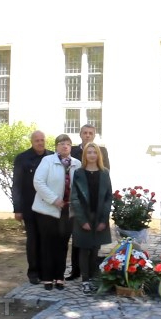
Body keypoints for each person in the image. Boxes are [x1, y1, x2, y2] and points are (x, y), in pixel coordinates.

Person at [32, 134, 81, 291]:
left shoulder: (77, 164)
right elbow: (38, 182)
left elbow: (80, 186)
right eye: (61, 143)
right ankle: (47, 278)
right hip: (48, 210)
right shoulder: (47, 161)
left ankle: (59, 277)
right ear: (56, 147)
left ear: (71, 147)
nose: (65, 146)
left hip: (68, 212)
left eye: (68, 143)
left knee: (62, 244)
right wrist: (54, 199)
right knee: (47, 244)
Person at [66, 124, 110, 281]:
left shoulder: (104, 172)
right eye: (85, 133)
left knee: (94, 248)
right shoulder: (78, 171)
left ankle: (92, 276)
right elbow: (75, 197)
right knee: (81, 246)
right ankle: (81, 275)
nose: (92, 155)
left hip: (98, 213)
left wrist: (104, 219)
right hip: (82, 214)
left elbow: (107, 196)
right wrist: (81, 218)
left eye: (90, 133)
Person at [12, 130, 53, 285]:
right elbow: (17, 185)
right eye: (37, 140)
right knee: (33, 240)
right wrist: (17, 209)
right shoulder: (22, 158)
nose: (40, 143)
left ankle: (45, 271)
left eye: (42, 140)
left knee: (47, 240)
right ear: (32, 141)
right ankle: (33, 272)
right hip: (30, 207)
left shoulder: (52, 157)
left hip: (48, 207)